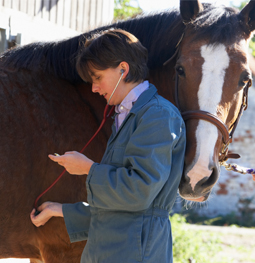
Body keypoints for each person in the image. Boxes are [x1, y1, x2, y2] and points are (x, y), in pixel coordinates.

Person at [30, 29, 186, 263]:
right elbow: (117, 209)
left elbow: (138, 192)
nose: (94, 88)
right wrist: (60, 210)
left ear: (123, 69)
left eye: (98, 77)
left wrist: (88, 169)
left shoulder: (157, 115)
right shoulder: (127, 115)